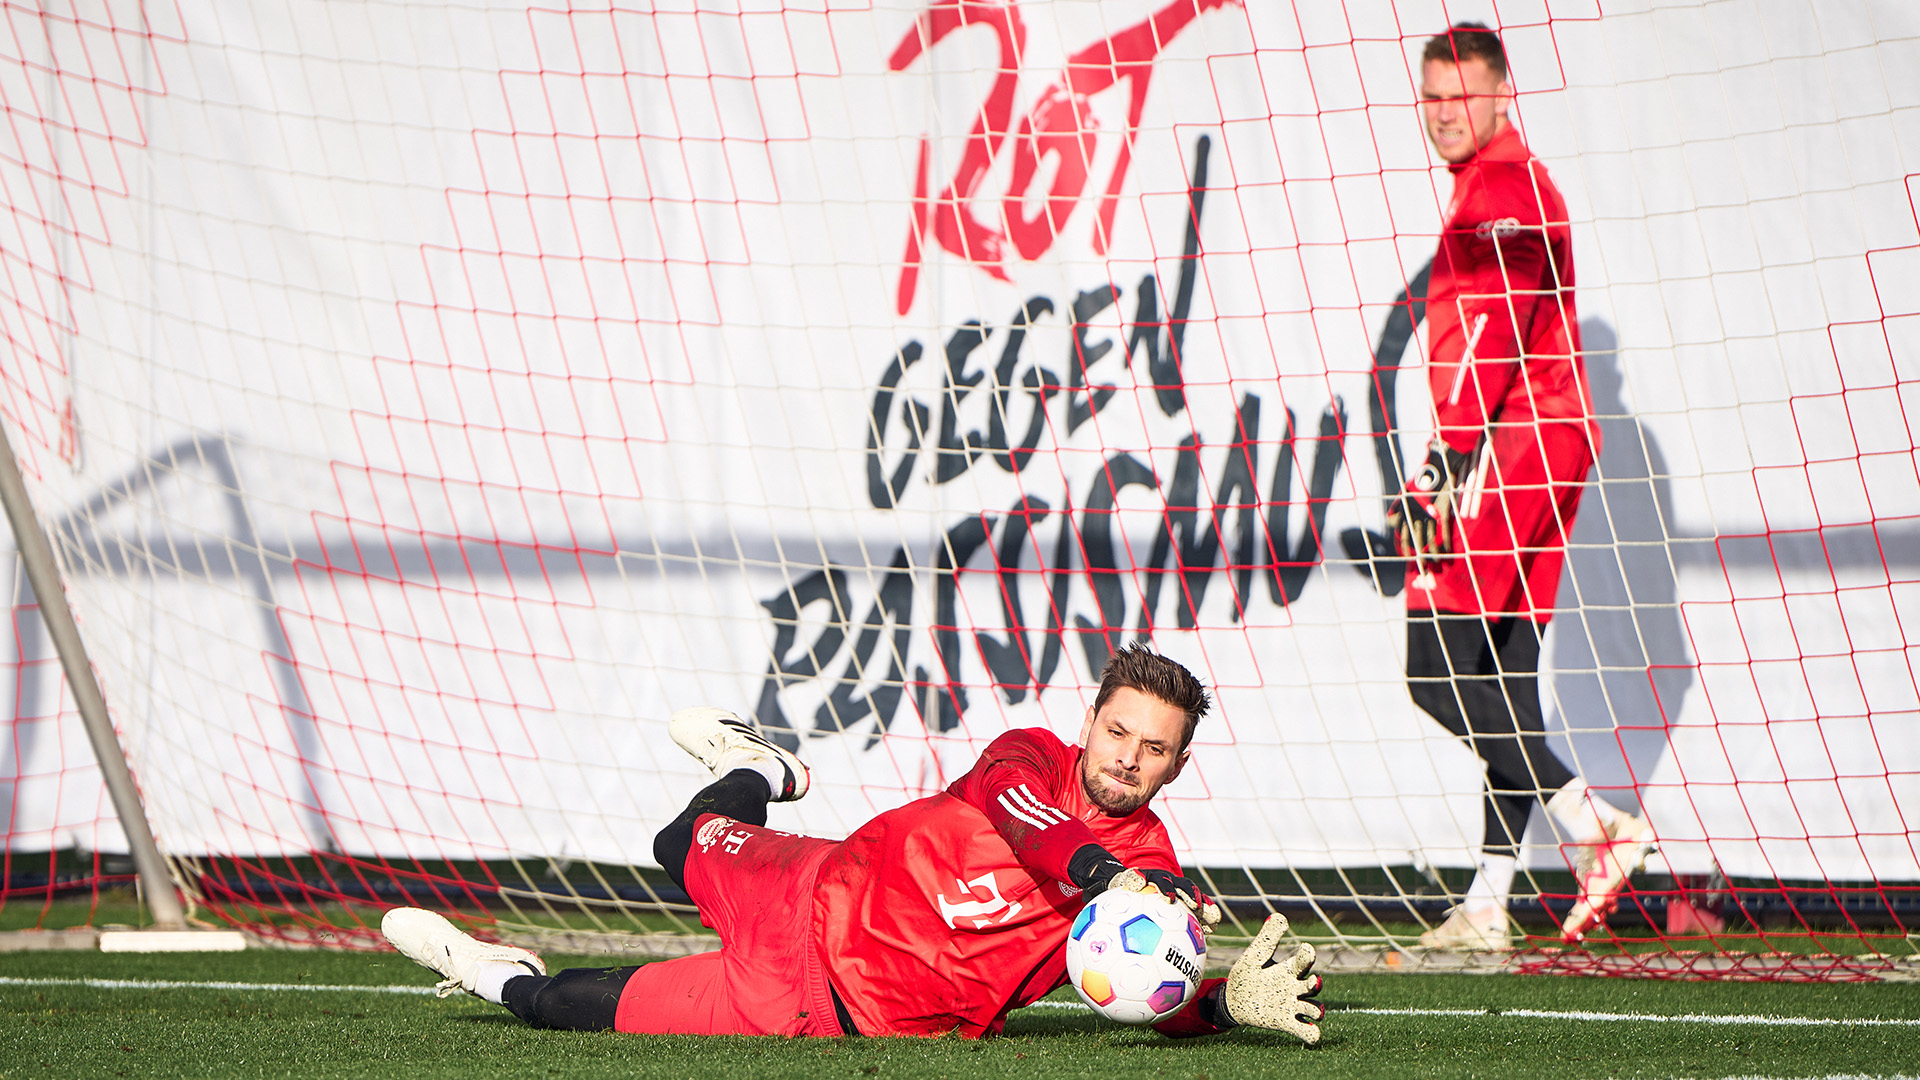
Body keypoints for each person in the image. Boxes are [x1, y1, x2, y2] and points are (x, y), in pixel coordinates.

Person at [383, 645, 1324, 1042]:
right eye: (1118, 733)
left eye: (1154, 748)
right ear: (1089, 724)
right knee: (676, 840)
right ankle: (756, 768)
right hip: (811, 885)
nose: (1128, 758)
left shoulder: (1155, 879)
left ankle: (489, 968)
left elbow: (1143, 993)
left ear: (1178, 764)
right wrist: (1107, 877)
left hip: (815, 1007)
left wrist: (1222, 1005)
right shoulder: (1029, 757)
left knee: (557, 1011)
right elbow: (1026, 819)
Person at [1387, 22, 1654, 950]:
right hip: (1540, 445)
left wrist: (1440, 464)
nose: (1444, 114)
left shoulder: (1502, 188)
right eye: (1432, 97)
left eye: (1461, 95)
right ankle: (1490, 903)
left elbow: (1497, 336)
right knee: (1500, 676)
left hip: (1514, 448)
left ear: (1503, 94)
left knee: (1434, 669)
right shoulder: (1500, 187)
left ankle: (1596, 826)